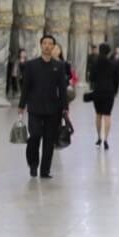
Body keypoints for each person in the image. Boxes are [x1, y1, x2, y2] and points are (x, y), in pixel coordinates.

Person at [19, 34, 71, 179]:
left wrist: (65, 107)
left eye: (50, 44)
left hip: (53, 109)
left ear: (54, 47)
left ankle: (45, 170)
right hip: (35, 108)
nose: (47, 46)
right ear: (41, 45)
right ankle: (33, 164)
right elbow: (25, 87)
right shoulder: (31, 65)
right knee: (35, 136)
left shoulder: (59, 66)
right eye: (45, 43)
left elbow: (62, 88)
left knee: (49, 141)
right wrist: (21, 105)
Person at [87, 41, 119, 148]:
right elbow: (117, 79)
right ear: (109, 51)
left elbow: (91, 78)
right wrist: (115, 91)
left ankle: (99, 137)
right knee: (107, 115)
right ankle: (106, 139)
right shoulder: (114, 64)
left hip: (97, 91)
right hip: (109, 92)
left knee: (98, 114)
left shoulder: (95, 63)